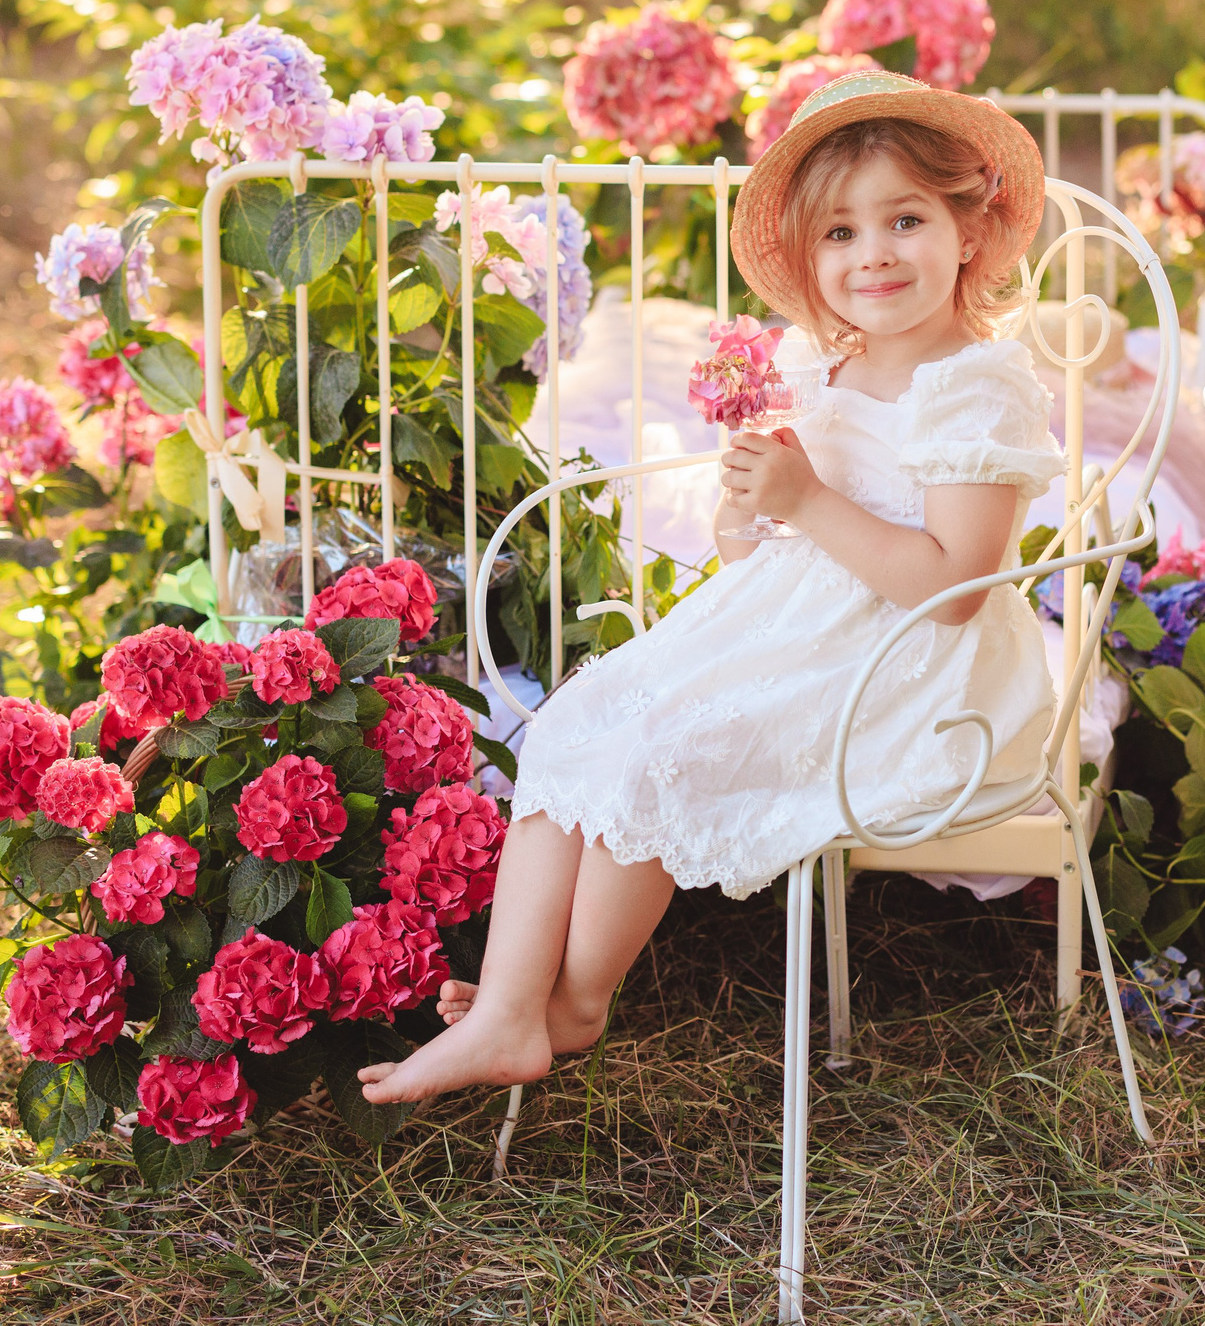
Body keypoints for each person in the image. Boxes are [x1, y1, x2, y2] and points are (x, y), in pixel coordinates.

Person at [361, 70, 1064, 1101]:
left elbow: (953, 587)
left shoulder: (973, 385)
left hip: (914, 676)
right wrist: (754, 506)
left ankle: (575, 1003)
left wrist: (811, 500)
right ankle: (517, 1005)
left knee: (665, 749)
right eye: (839, 233)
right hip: (810, 625)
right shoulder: (830, 368)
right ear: (811, 261)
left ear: (968, 230)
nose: (873, 252)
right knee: (582, 720)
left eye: (905, 219)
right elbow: (768, 542)